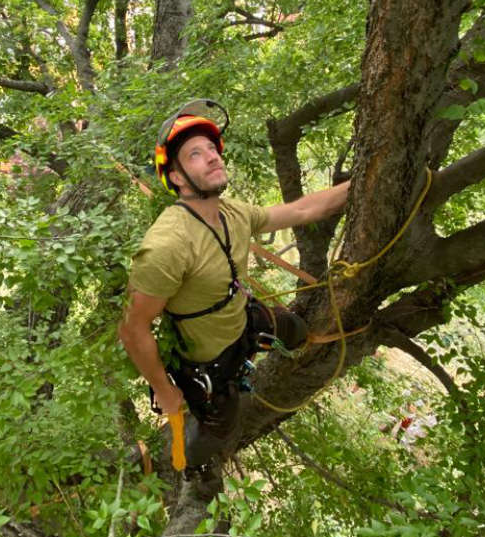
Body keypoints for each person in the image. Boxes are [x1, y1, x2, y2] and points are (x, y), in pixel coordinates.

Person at [118, 99, 349, 462]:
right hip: (209, 360)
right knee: (221, 426)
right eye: (195, 154)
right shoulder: (167, 245)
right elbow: (133, 328)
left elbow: (302, 210)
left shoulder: (233, 213)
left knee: (293, 328)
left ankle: (300, 339)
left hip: (243, 318)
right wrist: (163, 390)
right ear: (176, 177)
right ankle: (198, 472)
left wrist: (366, 179)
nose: (212, 157)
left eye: (212, 149)